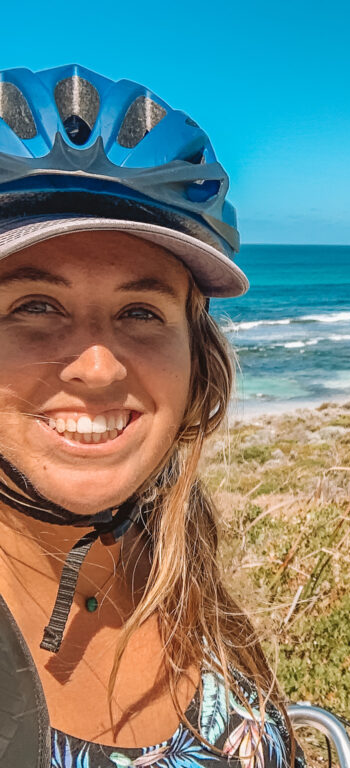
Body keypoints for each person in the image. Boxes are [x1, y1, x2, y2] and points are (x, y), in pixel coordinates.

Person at [0, 64, 303, 767]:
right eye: (32, 306)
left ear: (198, 360)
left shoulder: (173, 550)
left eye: (142, 311)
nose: (99, 368)